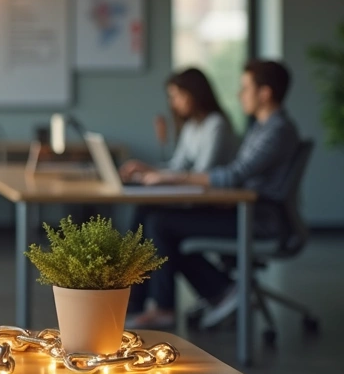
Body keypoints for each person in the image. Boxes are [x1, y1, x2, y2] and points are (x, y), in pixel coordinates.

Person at [126, 60, 300, 330]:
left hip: (259, 219)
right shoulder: (262, 128)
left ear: (264, 93)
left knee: (160, 224)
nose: (239, 95)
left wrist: (173, 178)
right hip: (242, 209)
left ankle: (169, 304)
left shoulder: (277, 131)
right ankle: (218, 290)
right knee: (154, 218)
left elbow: (232, 175)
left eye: (245, 88)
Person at [121, 67, 239, 181]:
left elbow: (202, 172)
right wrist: (145, 169)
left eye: (177, 96)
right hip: (199, 193)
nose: (173, 104)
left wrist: (163, 177)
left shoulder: (216, 124)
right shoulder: (191, 126)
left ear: (193, 94)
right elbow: (177, 166)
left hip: (218, 196)